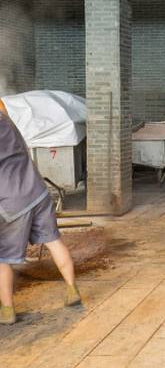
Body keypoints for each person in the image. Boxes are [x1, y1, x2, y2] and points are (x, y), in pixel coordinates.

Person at [0, 106, 80, 325]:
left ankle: (7, 310)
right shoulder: (7, 121)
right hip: (38, 192)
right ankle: (72, 290)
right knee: (54, 241)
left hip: (12, 202)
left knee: (3, 258)